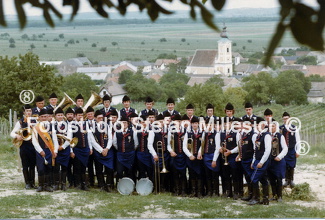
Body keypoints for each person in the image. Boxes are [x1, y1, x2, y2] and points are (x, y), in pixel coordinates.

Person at [32, 109, 58, 192]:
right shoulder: (36, 127)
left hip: (49, 150)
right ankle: (41, 185)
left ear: (48, 117)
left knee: (48, 168)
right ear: (39, 117)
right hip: (40, 151)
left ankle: (47, 185)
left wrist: (55, 151)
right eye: (42, 117)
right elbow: (34, 141)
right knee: (40, 168)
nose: (44, 118)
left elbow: (55, 140)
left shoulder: (51, 126)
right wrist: (40, 151)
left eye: (45, 116)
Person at [10, 104, 36, 189]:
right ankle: (27, 183)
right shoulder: (20, 122)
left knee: (32, 165)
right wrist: (17, 136)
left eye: (30, 111)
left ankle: (32, 182)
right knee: (25, 165)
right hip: (24, 146)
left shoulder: (34, 120)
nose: (29, 112)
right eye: (27, 111)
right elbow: (12, 133)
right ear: (24, 112)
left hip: (33, 145)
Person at [248, 117, 271, 205]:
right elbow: (256, 150)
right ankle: (265, 199)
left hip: (263, 161)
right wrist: (253, 161)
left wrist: (261, 162)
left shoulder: (267, 135)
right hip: (257, 159)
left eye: (258, 125)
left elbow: (267, 150)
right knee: (263, 179)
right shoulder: (259, 135)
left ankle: (256, 198)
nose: (256, 126)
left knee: (253, 179)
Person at [70, 108, 94, 191]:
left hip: (85, 149)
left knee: (84, 167)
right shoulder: (72, 124)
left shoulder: (86, 124)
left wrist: (90, 147)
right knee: (77, 167)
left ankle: (84, 183)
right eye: (78, 115)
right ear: (75, 116)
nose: (80, 116)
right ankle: (78, 184)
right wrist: (71, 151)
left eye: (81, 115)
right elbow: (70, 139)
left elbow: (89, 137)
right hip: (77, 149)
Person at [92, 110, 114, 192]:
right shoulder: (91, 127)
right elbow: (92, 141)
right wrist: (101, 150)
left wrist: (107, 148)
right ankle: (101, 185)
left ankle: (108, 185)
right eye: (99, 118)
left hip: (108, 150)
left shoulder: (107, 126)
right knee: (99, 169)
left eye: (102, 118)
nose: (101, 119)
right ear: (95, 118)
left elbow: (110, 138)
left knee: (109, 169)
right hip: (98, 151)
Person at [148, 114, 171, 192]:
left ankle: (163, 187)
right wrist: (154, 154)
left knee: (165, 172)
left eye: (162, 121)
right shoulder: (152, 131)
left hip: (165, 154)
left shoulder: (167, 131)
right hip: (157, 154)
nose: (161, 123)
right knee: (156, 171)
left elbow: (168, 143)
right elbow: (149, 145)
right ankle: (156, 188)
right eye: (159, 122)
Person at [199, 117, 221, 197]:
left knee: (214, 175)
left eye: (211, 124)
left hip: (213, 156)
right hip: (206, 156)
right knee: (207, 175)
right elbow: (202, 145)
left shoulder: (216, 133)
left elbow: (217, 148)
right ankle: (209, 191)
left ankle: (216, 192)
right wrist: (199, 153)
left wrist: (214, 160)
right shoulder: (204, 133)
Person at [183, 116, 204, 198]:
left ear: (198, 124)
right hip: (191, 157)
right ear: (191, 124)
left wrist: (199, 153)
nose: (194, 125)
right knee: (191, 174)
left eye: (196, 123)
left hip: (199, 157)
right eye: (193, 123)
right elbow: (184, 146)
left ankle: (199, 192)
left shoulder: (202, 133)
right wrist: (190, 155)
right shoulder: (187, 133)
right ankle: (193, 191)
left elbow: (203, 144)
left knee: (199, 174)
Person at [113, 116, 138, 180]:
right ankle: (120, 185)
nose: (123, 124)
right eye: (122, 123)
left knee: (130, 171)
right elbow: (114, 143)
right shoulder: (117, 132)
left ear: (128, 124)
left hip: (130, 154)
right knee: (119, 171)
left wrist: (130, 149)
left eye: (125, 123)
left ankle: (130, 186)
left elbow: (136, 143)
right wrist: (120, 149)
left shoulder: (133, 132)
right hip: (120, 154)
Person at [268, 120, 288, 202]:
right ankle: (274, 195)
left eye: (273, 126)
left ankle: (280, 196)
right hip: (270, 160)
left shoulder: (280, 136)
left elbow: (285, 148)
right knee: (271, 178)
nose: (271, 128)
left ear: (276, 127)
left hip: (278, 161)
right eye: (270, 126)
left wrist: (279, 156)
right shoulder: (267, 136)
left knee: (279, 178)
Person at [280, 112, 301, 188]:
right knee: (285, 165)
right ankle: (286, 180)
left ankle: (291, 180)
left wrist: (298, 150)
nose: (286, 120)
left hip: (292, 149)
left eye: (287, 118)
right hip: (284, 150)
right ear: (283, 119)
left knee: (292, 165)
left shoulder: (294, 128)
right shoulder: (281, 128)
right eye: (284, 118)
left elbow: (298, 140)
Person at [167, 114, 187, 196]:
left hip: (183, 155)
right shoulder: (170, 131)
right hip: (174, 155)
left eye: (179, 121)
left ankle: (183, 191)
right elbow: (168, 144)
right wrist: (171, 151)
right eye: (176, 121)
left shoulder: (185, 131)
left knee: (183, 173)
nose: (177, 123)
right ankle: (176, 190)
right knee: (175, 173)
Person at [52, 107, 71, 191]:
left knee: (64, 167)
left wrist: (63, 146)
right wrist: (57, 148)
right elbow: (53, 137)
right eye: (58, 115)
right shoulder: (53, 125)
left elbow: (69, 138)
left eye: (61, 115)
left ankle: (63, 183)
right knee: (56, 167)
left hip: (65, 148)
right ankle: (56, 183)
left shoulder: (68, 125)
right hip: (56, 149)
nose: (60, 116)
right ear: (55, 116)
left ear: (63, 116)